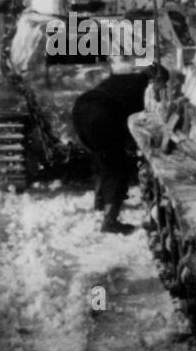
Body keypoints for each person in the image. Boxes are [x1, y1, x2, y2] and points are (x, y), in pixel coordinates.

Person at [71, 63, 168, 234]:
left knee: (102, 157)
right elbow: (141, 123)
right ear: (155, 80)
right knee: (117, 168)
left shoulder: (126, 78)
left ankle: (101, 200)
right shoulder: (143, 91)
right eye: (162, 84)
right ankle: (110, 221)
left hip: (81, 110)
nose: (162, 90)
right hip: (100, 116)